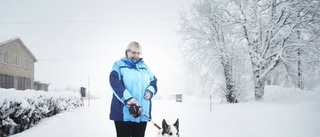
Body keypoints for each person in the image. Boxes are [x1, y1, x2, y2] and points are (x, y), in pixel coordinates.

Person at [109, 41, 158, 137]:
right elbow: (114, 83)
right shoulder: (118, 65)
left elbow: (153, 81)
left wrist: (150, 91)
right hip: (124, 112)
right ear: (127, 52)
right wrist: (128, 99)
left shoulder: (144, 67)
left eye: (138, 53)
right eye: (133, 52)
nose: (136, 55)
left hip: (141, 112)